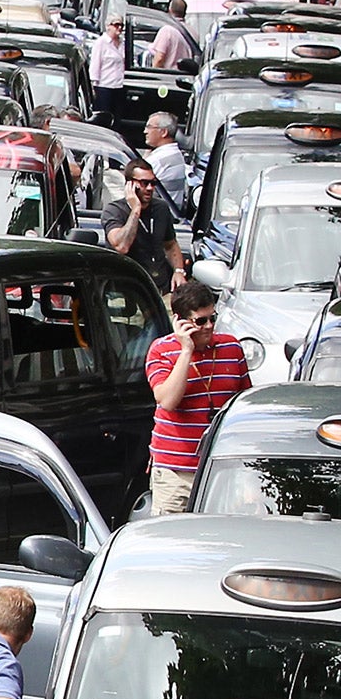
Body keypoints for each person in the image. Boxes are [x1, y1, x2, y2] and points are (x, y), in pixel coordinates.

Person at [146, 281, 251, 513]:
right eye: (201, 321)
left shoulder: (231, 349)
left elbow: (244, 407)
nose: (209, 326)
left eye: (213, 318)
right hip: (176, 472)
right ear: (181, 322)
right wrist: (186, 351)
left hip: (220, 470)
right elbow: (167, 401)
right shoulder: (161, 350)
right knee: (171, 541)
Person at [103, 158, 184, 293]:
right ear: (130, 184)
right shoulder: (114, 210)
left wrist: (179, 271)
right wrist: (136, 209)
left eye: (153, 183)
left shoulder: (161, 208)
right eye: (144, 183)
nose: (150, 188)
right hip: (128, 291)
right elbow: (122, 246)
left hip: (160, 288)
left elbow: (170, 244)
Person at [142, 111, 189, 216]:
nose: (145, 131)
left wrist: (144, 161)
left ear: (163, 132)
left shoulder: (158, 161)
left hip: (156, 217)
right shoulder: (177, 154)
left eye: (149, 127)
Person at [88, 15, 126, 124]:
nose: (119, 28)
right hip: (104, 87)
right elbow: (95, 64)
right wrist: (93, 85)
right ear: (108, 26)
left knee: (117, 118)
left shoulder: (122, 43)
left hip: (119, 86)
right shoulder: (101, 43)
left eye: (121, 25)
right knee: (104, 117)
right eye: (116, 25)